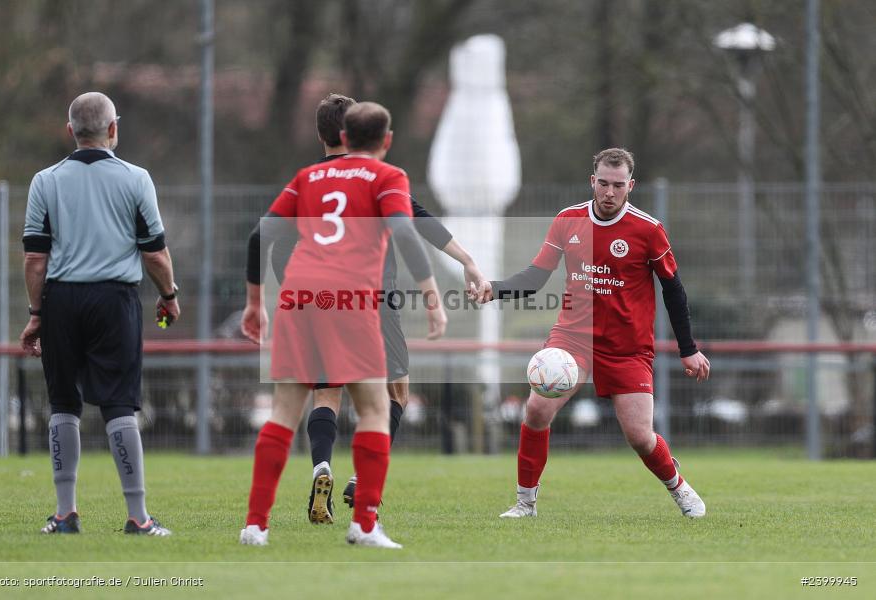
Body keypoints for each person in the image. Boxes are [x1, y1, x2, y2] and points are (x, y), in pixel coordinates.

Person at [265, 93, 484, 525]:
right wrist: (465, 262)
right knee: (394, 393)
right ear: (359, 132)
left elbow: (276, 246)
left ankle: (321, 466)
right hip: (372, 299)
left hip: (319, 302)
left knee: (326, 392)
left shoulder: (308, 180)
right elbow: (419, 224)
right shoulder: (380, 178)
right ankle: (364, 481)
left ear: (323, 135)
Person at [240, 101, 446, 549]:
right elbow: (406, 232)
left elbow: (260, 236)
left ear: (341, 139)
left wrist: (255, 303)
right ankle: (365, 524)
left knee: (284, 410)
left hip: (298, 296)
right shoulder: (386, 176)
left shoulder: (307, 177)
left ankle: (256, 525)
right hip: (353, 297)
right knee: (376, 406)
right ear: (386, 141)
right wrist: (431, 293)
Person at [472, 148, 711, 519]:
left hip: (627, 346)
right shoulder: (568, 220)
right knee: (536, 410)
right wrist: (494, 287)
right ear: (592, 181)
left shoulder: (648, 229)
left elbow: (673, 290)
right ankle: (525, 504)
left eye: (618, 185)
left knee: (640, 437)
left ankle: (678, 486)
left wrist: (688, 348)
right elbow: (536, 277)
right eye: (603, 183)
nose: (610, 192)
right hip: (573, 338)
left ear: (630, 185)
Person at [20, 92, 178, 536]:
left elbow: (35, 259)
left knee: (63, 404)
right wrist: (169, 294)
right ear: (113, 129)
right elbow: (156, 253)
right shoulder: (136, 178)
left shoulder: (44, 181)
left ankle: (65, 513)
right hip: (115, 301)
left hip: (61, 302)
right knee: (119, 404)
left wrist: (36, 314)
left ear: (70, 131)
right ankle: (137, 516)